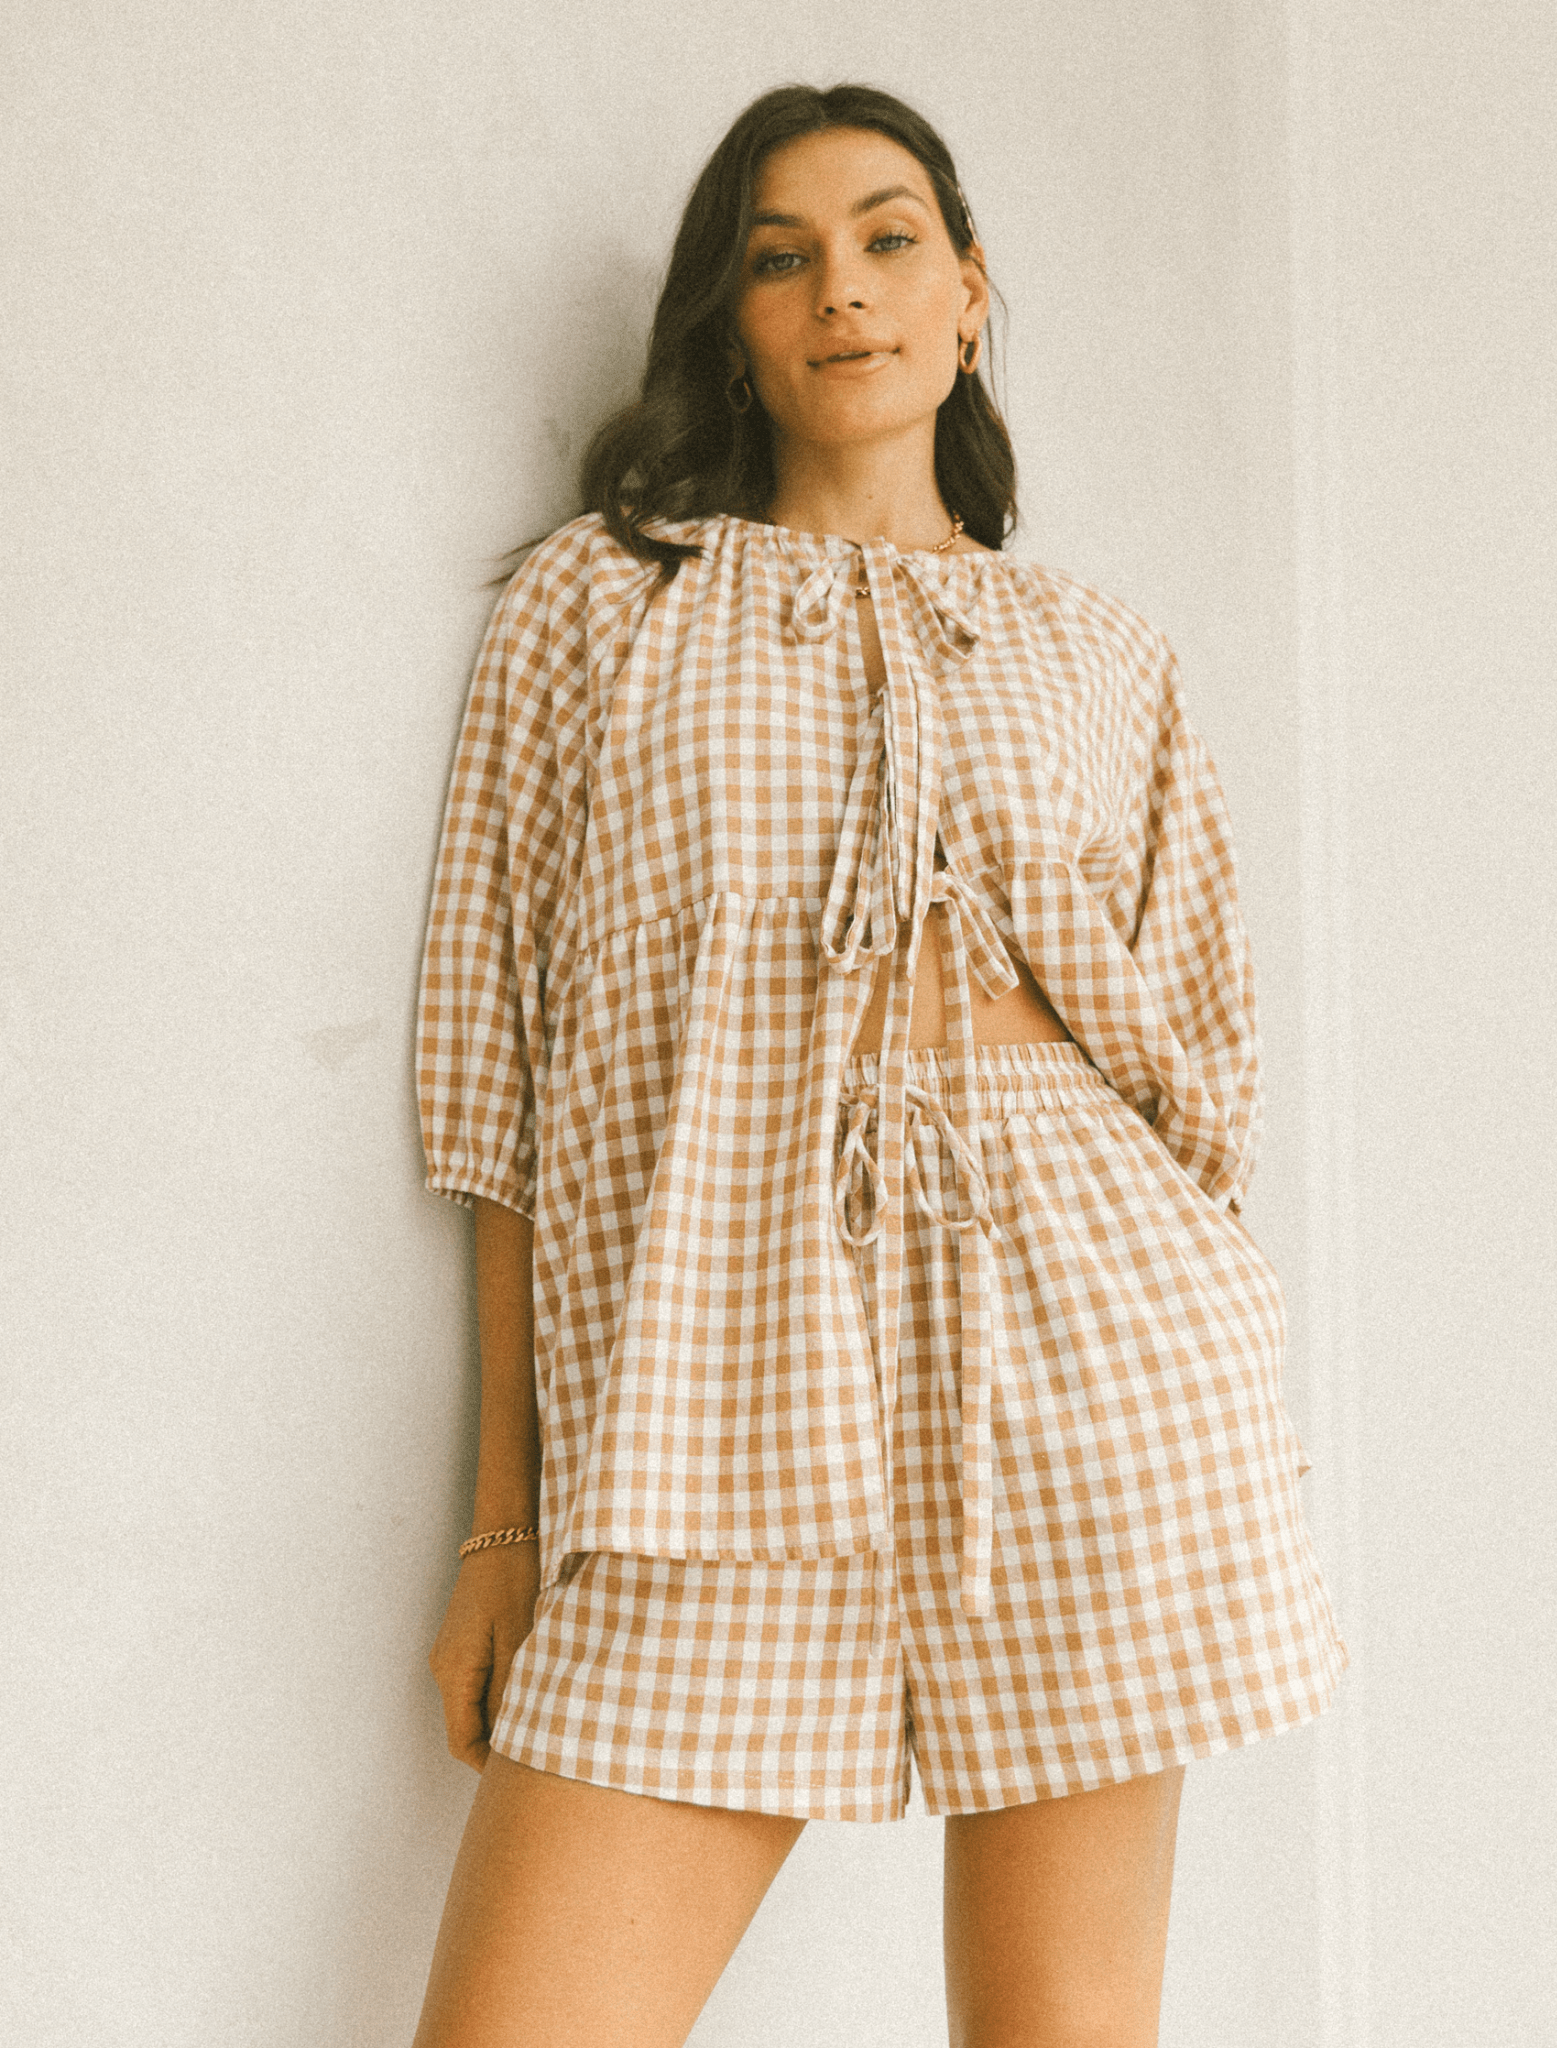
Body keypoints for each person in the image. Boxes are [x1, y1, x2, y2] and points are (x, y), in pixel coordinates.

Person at [409, 81, 1346, 2048]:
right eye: (782, 256)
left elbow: (1203, 1074)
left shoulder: (1102, 651)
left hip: (1095, 1366)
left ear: (969, 295)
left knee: (1063, 2030)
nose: (841, 287)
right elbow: (499, 1070)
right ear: (732, 324)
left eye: (888, 236)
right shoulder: (604, 602)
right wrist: (505, 1523)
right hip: (719, 1398)